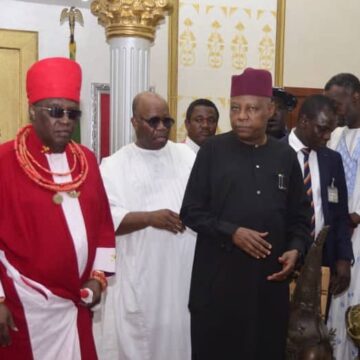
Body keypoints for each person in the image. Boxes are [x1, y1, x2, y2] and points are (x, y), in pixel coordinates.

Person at [180, 67, 311, 360]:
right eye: (236, 107)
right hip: (218, 288)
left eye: (251, 109)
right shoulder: (212, 150)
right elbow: (190, 212)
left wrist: (295, 249)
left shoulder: (285, 156)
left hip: (268, 289)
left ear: (270, 110)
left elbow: (301, 218)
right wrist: (232, 232)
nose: (241, 115)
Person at [0, 57, 115, 359]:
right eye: (55, 111)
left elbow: (104, 224)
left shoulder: (87, 160)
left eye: (72, 112)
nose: (65, 120)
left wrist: (98, 275)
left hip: (75, 303)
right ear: (33, 112)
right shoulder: (4, 161)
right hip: (24, 305)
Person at [97, 92, 196, 360]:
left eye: (167, 121)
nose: (162, 128)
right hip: (138, 276)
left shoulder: (187, 157)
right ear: (134, 122)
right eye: (153, 121)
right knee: (139, 344)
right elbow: (106, 219)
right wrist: (150, 218)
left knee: (180, 341)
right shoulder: (113, 166)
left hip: (182, 276)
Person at [285, 94, 353, 296]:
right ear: (304, 121)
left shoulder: (332, 159)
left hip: (323, 257)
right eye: (322, 129)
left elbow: (340, 214)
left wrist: (343, 258)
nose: (327, 137)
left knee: (316, 323)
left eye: (330, 131)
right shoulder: (274, 152)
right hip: (285, 256)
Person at [325, 73, 360, 359]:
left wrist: (355, 216)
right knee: (335, 313)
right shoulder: (335, 135)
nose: (334, 112)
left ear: (356, 97)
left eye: (337, 104)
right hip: (339, 237)